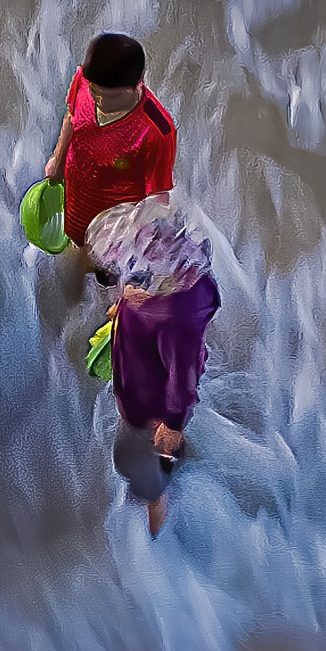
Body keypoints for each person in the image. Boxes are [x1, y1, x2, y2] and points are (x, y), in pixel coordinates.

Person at [89, 194, 220, 534]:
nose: (125, 283)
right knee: (150, 449)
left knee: (127, 456)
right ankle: (166, 463)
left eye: (134, 278)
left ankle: (156, 502)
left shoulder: (178, 317)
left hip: (153, 398)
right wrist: (124, 306)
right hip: (142, 360)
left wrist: (174, 423)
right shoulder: (167, 278)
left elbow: (183, 376)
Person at [42, 33, 177, 261]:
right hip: (74, 206)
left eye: (111, 97)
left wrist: (135, 243)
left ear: (137, 85)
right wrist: (57, 161)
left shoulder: (157, 130)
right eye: (95, 93)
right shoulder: (84, 81)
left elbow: (158, 198)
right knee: (71, 261)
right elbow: (72, 117)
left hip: (113, 237)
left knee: (102, 281)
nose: (100, 102)